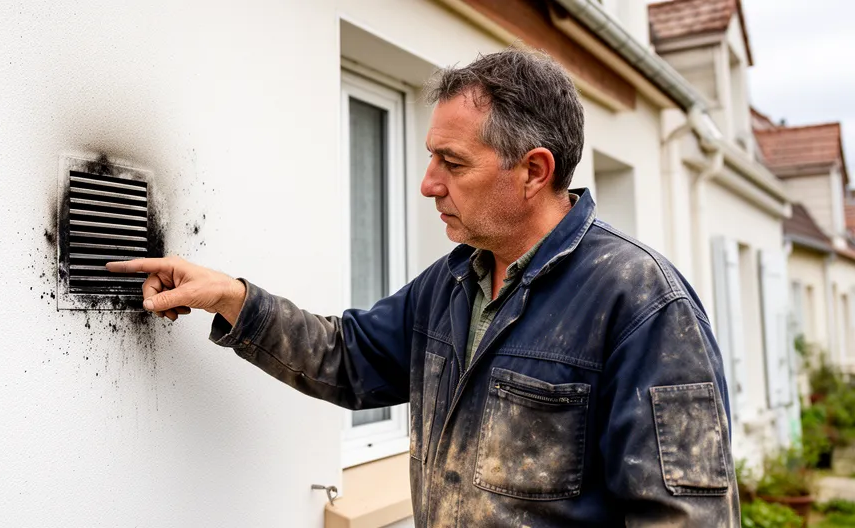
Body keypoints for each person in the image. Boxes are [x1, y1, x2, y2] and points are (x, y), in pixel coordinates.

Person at [107, 47, 740, 527]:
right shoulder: (454, 281)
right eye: (431, 157)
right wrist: (229, 296)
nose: (428, 183)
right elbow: (349, 357)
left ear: (534, 171)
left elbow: (684, 518)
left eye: (453, 163)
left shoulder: (642, 304)